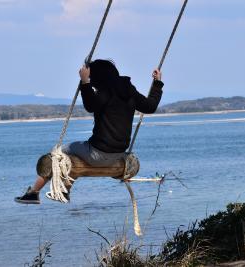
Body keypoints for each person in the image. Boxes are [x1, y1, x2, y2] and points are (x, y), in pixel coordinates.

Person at [15, 59, 163, 204]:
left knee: (57, 153)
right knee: (71, 160)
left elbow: (90, 105)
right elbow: (150, 106)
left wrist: (85, 82)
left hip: (96, 153)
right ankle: (64, 190)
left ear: (99, 78)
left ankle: (34, 193)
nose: (92, 83)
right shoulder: (129, 92)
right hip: (118, 154)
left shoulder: (106, 92)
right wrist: (157, 83)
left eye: (92, 78)